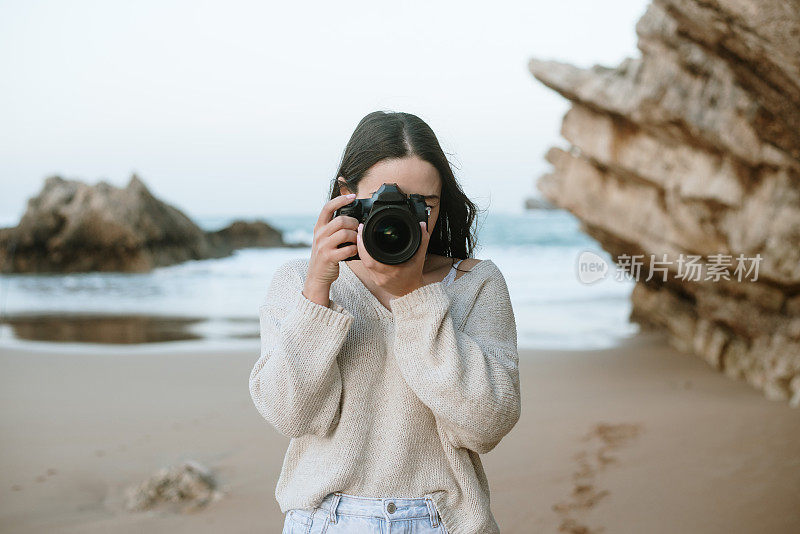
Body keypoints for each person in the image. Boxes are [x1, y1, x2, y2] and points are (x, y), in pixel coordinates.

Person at [249, 110, 521, 534]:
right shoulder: (298, 283)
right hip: (324, 520)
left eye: (422, 205)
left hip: (443, 521)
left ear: (441, 203)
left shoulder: (475, 284)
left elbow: (487, 424)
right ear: (346, 195)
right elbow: (290, 415)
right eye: (382, 201)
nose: (403, 220)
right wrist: (318, 290)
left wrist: (414, 296)